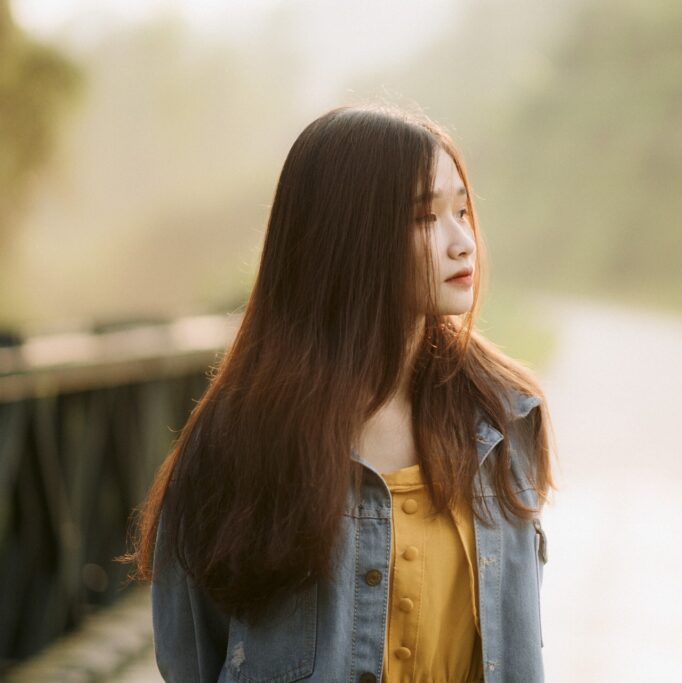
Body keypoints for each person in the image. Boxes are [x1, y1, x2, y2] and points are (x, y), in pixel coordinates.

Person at [118, 103, 557, 683]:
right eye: (426, 218)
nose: (462, 243)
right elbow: (192, 660)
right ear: (346, 236)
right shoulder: (241, 439)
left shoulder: (505, 417)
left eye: (463, 210)